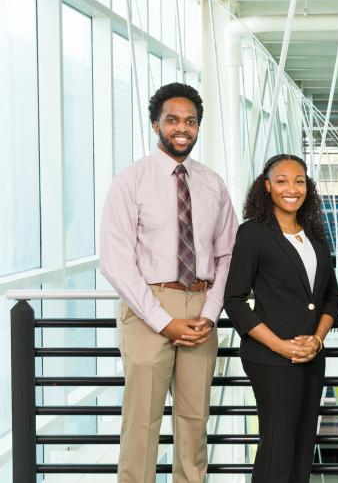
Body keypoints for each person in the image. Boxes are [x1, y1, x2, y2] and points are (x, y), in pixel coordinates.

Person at [100, 82, 239, 483]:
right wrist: (163, 321)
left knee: (194, 423)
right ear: (155, 124)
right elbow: (116, 261)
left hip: (201, 307)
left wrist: (210, 314)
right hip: (148, 308)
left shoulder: (213, 183)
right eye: (173, 120)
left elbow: (228, 253)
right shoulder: (131, 182)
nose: (183, 128)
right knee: (141, 424)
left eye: (191, 121)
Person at [223, 154, 338, 483]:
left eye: (299, 180)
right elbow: (234, 300)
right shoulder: (254, 234)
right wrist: (281, 347)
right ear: (267, 186)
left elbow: (331, 296)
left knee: (303, 444)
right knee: (277, 444)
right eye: (282, 180)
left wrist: (317, 340)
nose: (292, 188)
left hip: (311, 356)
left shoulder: (314, 236)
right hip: (271, 358)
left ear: (308, 187)